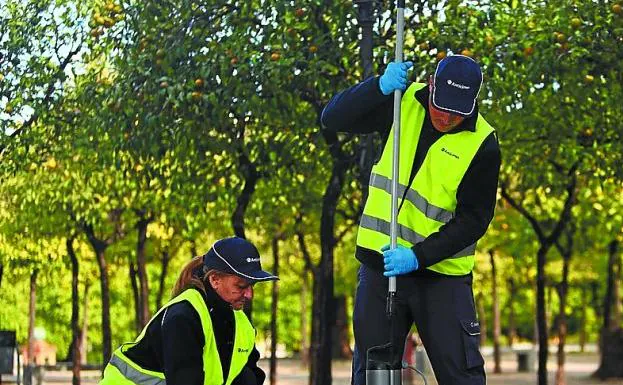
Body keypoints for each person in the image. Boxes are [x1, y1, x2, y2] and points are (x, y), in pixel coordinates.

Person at [321, 55, 501, 385]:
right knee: (373, 372)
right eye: (441, 105)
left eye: (457, 110)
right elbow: (333, 118)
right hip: (382, 266)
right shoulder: (401, 102)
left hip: (441, 277)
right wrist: (378, 87)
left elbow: (474, 220)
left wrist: (418, 256)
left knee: (462, 374)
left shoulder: (483, 144)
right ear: (431, 85)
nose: (447, 117)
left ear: (473, 100)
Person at [99, 236, 278, 385]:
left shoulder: (239, 322)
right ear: (215, 279)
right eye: (241, 286)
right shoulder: (183, 316)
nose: (249, 294)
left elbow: (249, 376)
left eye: (252, 286)